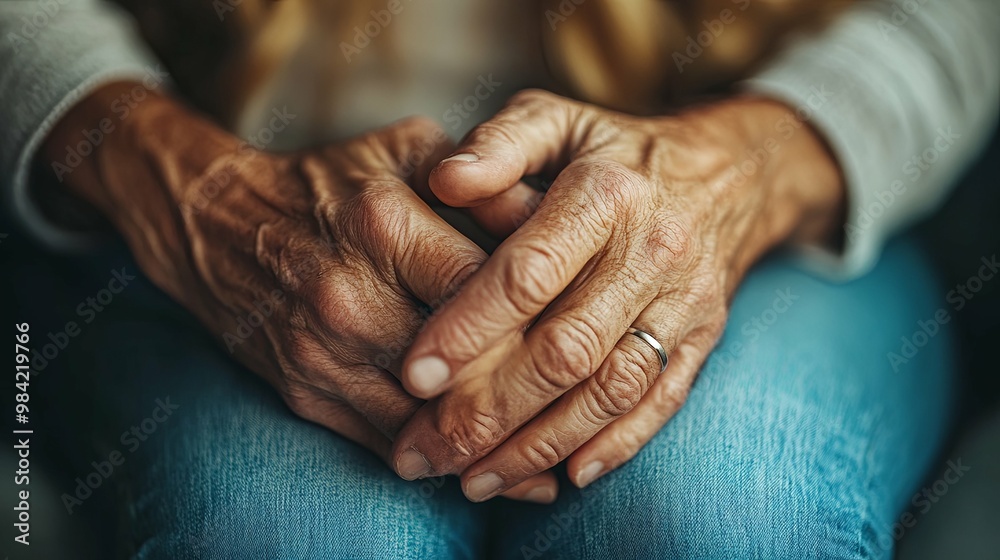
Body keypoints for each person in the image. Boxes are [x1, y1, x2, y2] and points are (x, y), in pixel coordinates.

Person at [1, 0, 996, 557]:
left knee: (726, 522)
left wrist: (739, 171)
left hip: (770, 202)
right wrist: (177, 176)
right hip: (225, 189)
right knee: (290, 537)